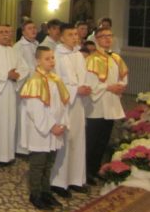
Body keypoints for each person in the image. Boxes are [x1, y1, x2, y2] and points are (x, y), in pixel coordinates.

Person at [20, 46, 69, 210]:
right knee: (38, 165)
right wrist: (51, 126)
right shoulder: (35, 81)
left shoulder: (55, 79)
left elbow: (62, 104)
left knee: (49, 164)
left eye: (52, 58)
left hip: (55, 129)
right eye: (47, 58)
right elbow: (35, 110)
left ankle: (46, 192)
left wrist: (62, 123)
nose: (51, 61)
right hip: (41, 131)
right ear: (38, 61)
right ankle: (35, 194)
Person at [50, 24, 92, 198]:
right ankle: (59, 182)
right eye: (70, 35)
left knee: (78, 140)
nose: (75, 37)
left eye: (76, 34)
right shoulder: (56, 56)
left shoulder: (78, 55)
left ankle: (75, 179)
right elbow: (54, 82)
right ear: (61, 37)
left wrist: (86, 87)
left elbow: (84, 76)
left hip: (78, 104)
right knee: (65, 141)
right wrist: (75, 90)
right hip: (64, 104)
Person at [84, 27, 128, 185]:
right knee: (92, 141)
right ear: (96, 39)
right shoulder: (92, 59)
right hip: (96, 106)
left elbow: (123, 77)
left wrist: (121, 86)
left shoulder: (116, 58)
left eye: (110, 36)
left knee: (103, 140)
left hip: (111, 104)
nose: (107, 39)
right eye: (103, 36)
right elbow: (90, 84)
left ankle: (96, 168)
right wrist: (108, 87)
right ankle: (86, 172)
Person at [0, 25, 29, 166]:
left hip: (10, 93)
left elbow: (25, 68)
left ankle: (7, 155)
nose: (6, 35)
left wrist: (17, 76)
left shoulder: (14, 52)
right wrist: (5, 75)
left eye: (8, 32)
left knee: (10, 123)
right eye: (2, 32)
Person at [13, 19, 39, 155]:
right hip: (25, 86)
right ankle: (21, 148)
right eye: (29, 28)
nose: (33, 30)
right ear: (23, 32)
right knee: (24, 117)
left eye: (34, 28)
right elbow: (19, 67)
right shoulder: (18, 47)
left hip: (37, 86)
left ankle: (33, 145)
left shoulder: (37, 44)